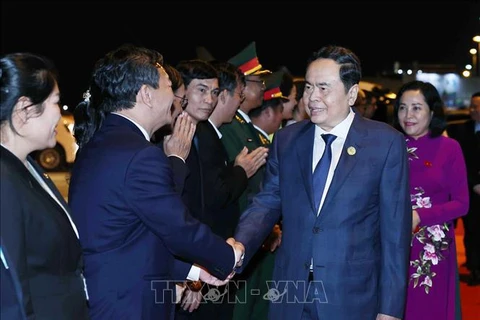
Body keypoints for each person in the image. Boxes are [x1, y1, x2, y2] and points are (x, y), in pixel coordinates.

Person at [233, 45, 412, 320]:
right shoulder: (288, 140)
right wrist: (240, 244)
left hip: (352, 297)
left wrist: (390, 309)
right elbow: (267, 201)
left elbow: (394, 234)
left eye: (323, 88)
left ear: (351, 94)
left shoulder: (385, 143)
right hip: (290, 292)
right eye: (307, 87)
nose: (312, 97)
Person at [69, 44, 244, 320]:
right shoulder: (140, 155)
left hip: (112, 296)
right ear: (146, 95)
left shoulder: (100, 144)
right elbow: (178, 229)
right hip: (130, 305)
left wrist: (197, 272)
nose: (176, 99)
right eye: (168, 88)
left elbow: (136, 237)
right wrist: (228, 257)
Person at [0, 52, 89, 319]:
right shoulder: (4, 180)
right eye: (55, 103)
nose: (60, 115)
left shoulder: (27, 166)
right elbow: (12, 289)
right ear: (25, 109)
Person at [393, 80, 469, 320]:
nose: (408, 115)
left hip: (431, 249)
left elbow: (461, 203)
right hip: (391, 243)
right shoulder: (390, 146)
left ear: (432, 111)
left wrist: (419, 215)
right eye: (403, 107)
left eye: (417, 107)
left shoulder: (449, 148)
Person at [448, 91, 480, 286]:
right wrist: (474, 183)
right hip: (466, 189)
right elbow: (459, 161)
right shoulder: (459, 130)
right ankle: (474, 268)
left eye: (477, 106)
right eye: (472, 105)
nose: (473, 110)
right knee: (472, 229)